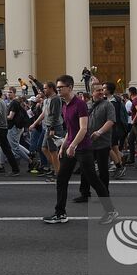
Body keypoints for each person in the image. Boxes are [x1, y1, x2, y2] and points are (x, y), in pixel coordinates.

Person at [44, 75, 116, 224]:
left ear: (69, 88)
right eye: (57, 87)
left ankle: (111, 211)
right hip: (71, 147)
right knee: (61, 179)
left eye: (60, 87)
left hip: (83, 149)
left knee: (94, 180)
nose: (58, 90)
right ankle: (60, 213)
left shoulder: (80, 104)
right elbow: (70, 130)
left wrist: (72, 145)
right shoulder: (65, 106)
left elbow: (83, 129)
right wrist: (64, 146)